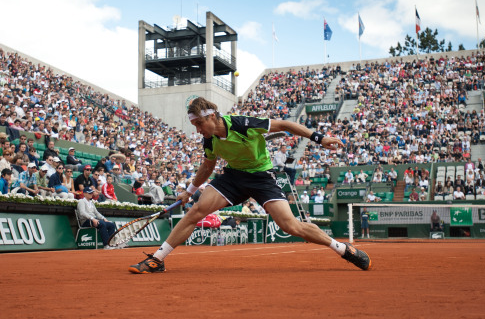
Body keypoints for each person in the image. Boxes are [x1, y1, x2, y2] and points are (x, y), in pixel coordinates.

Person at [129, 97, 371, 273]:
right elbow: (207, 167)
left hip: (262, 178)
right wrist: (189, 191)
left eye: (200, 124)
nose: (198, 130)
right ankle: (158, 259)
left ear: (212, 116)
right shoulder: (209, 139)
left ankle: (342, 249)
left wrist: (320, 138)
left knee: (291, 226)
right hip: (233, 178)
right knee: (195, 211)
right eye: (195, 126)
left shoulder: (243, 124)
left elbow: (286, 125)